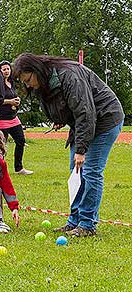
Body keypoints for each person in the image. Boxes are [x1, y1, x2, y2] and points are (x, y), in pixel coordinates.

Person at [13, 53, 124, 237]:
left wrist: (81, 150)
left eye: (28, 79)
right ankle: (74, 221)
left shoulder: (69, 75)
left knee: (90, 172)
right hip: (83, 124)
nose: (27, 85)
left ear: (36, 71)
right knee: (76, 172)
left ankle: (87, 224)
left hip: (105, 119)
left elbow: (85, 112)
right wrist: (60, 119)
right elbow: (65, 106)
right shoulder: (47, 82)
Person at [0, 60, 33, 175]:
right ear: (0, 71)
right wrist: (9, 101)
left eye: (8, 69)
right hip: (1, 119)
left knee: (21, 141)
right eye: (4, 69)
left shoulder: (11, 83)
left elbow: (13, 96)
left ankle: (19, 168)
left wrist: (17, 100)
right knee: (1, 146)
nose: (6, 71)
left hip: (13, 118)